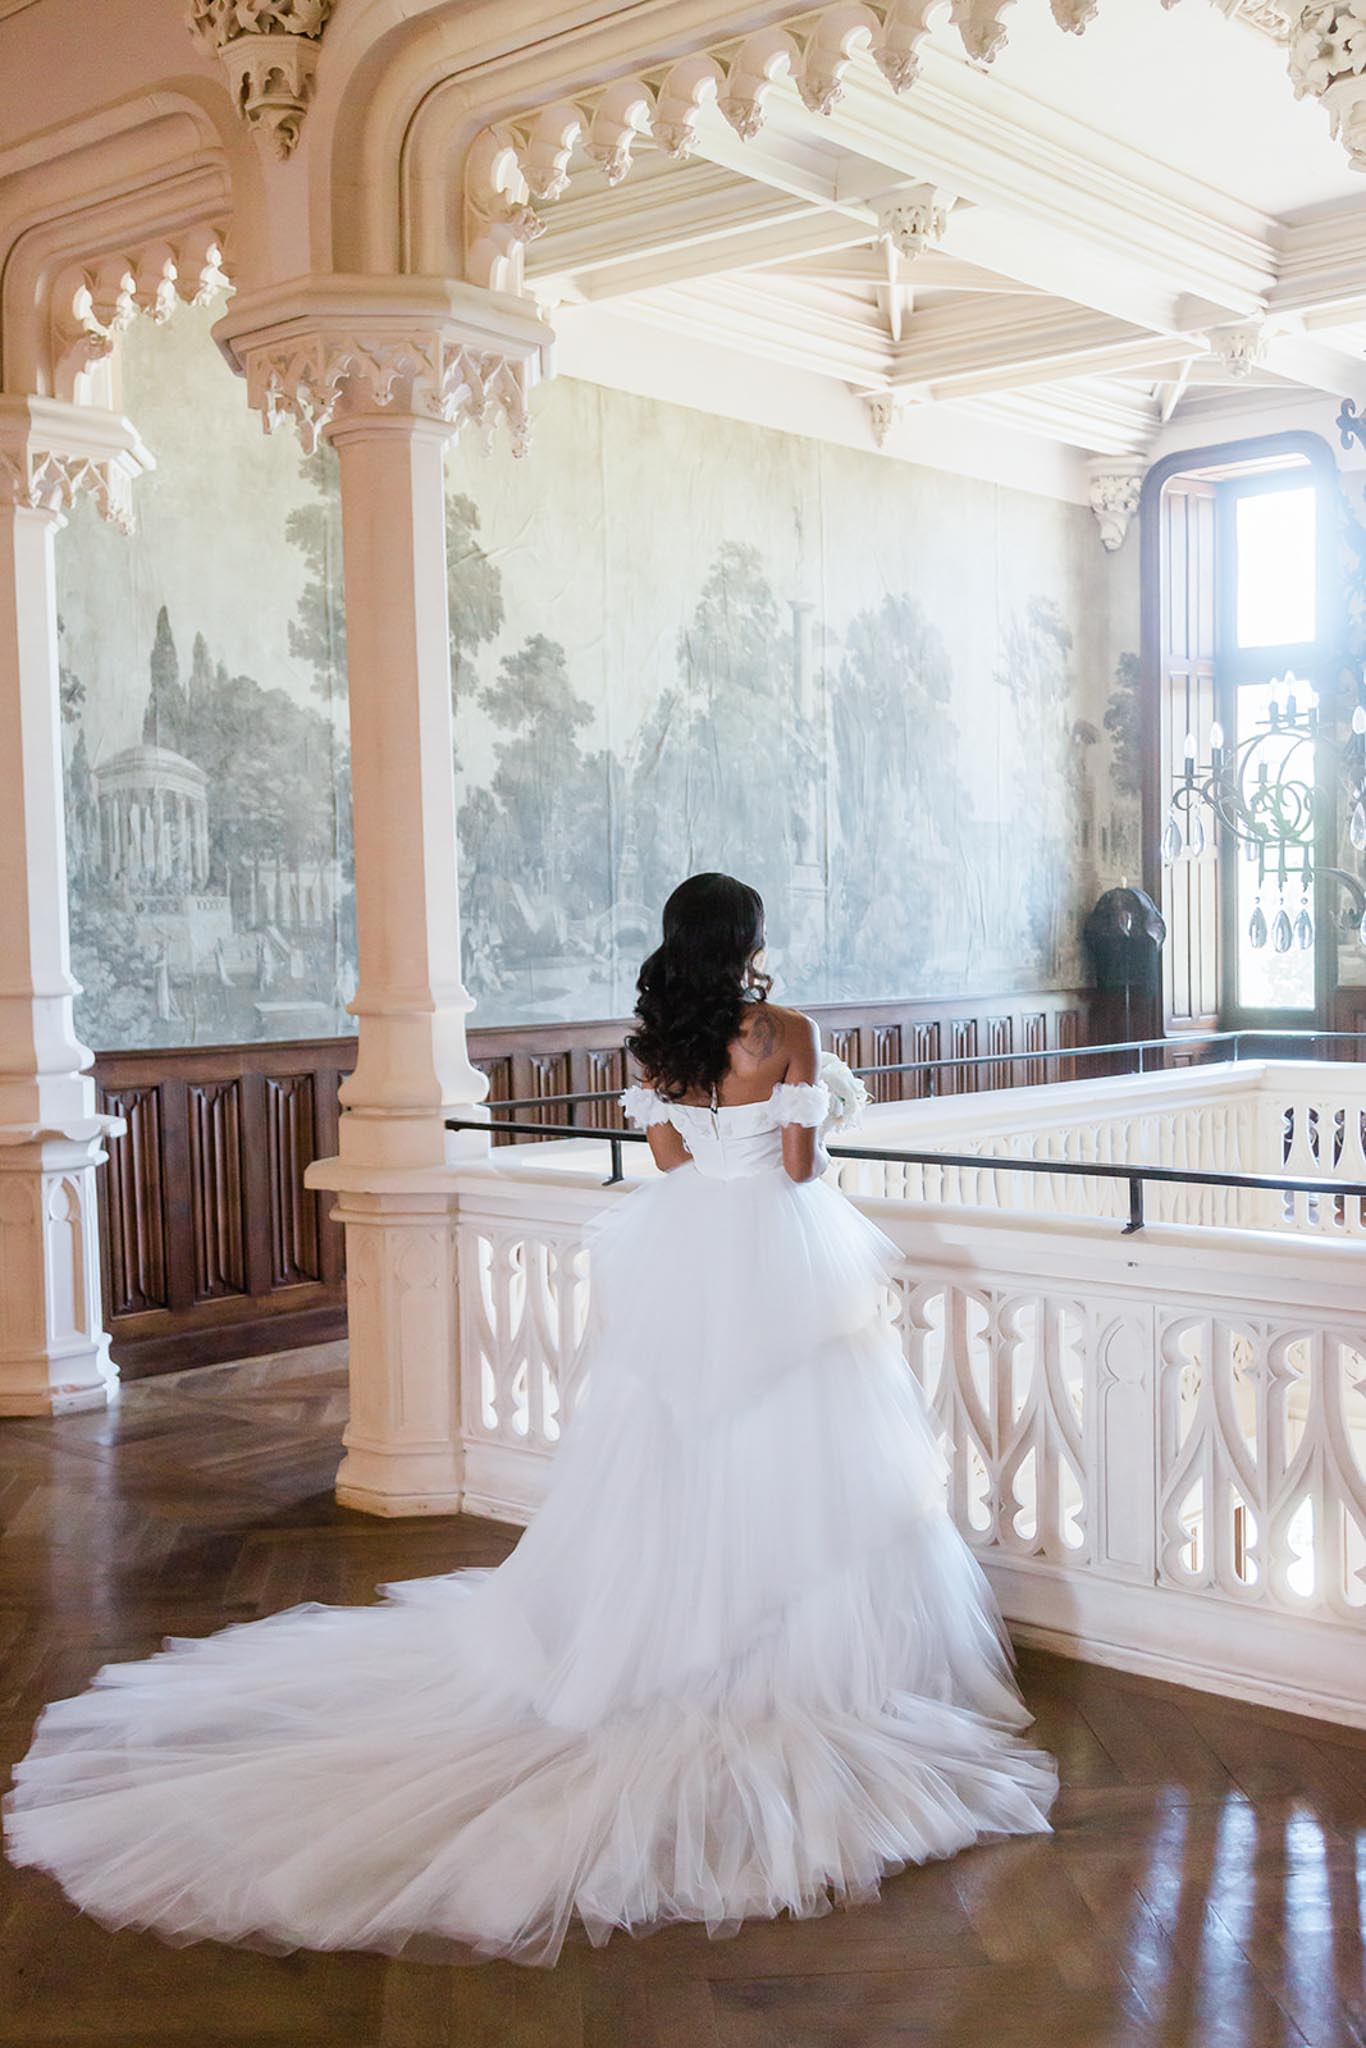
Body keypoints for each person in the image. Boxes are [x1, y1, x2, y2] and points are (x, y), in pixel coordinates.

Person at [5, 872, 1054, 1965]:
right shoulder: (784, 1029)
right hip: (778, 1245)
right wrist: (818, 1109)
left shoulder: (653, 1042)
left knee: (667, 1435)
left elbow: (670, 1162)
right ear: (746, 939)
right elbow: (800, 1167)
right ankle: (793, 1652)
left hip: (688, 1245)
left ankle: (652, 1628)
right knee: (802, 1439)